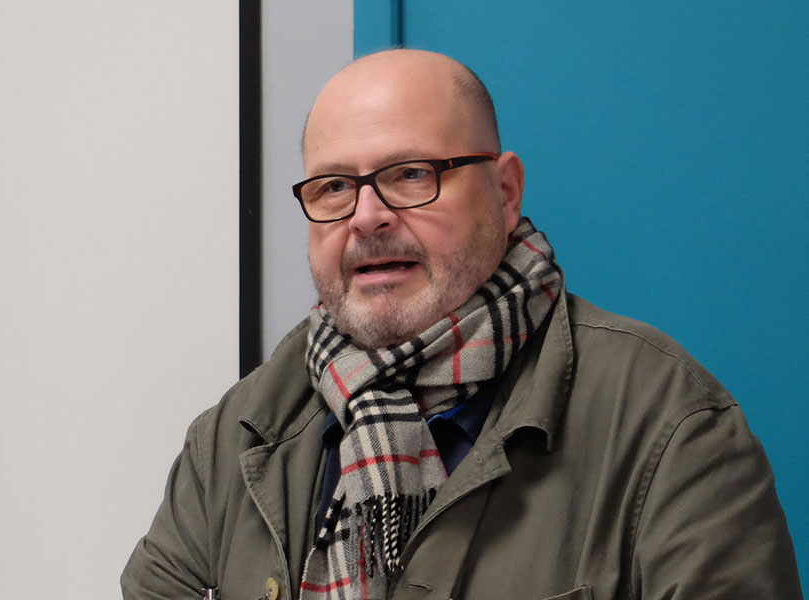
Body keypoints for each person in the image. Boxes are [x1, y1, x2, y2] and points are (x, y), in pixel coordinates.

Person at [121, 49, 801, 600]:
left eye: (411, 174)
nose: (366, 216)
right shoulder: (232, 440)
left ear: (505, 192)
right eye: (333, 187)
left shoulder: (670, 426)